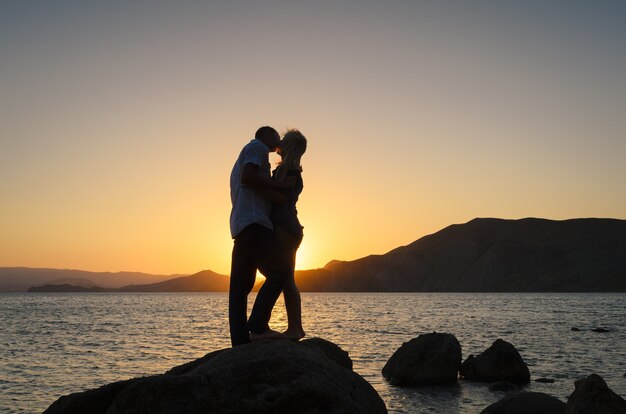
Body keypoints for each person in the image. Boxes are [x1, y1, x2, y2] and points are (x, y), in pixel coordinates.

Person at [228, 126, 295, 347]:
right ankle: (257, 327)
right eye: (276, 137)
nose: (278, 142)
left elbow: (248, 184)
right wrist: (279, 185)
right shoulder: (257, 148)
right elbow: (249, 178)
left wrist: (274, 195)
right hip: (255, 222)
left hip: (240, 226)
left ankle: (240, 341)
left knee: (240, 288)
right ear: (266, 135)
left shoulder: (244, 154)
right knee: (280, 272)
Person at [271, 130, 307, 340]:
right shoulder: (283, 171)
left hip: (286, 229)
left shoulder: (292, 174)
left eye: (284, 140)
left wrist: (257, 186)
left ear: (290, 147)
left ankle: (295, 328)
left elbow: (280, 200)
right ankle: (294, 327)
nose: (280, 141)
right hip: (285, 228)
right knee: (284, 278)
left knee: (286, 279)